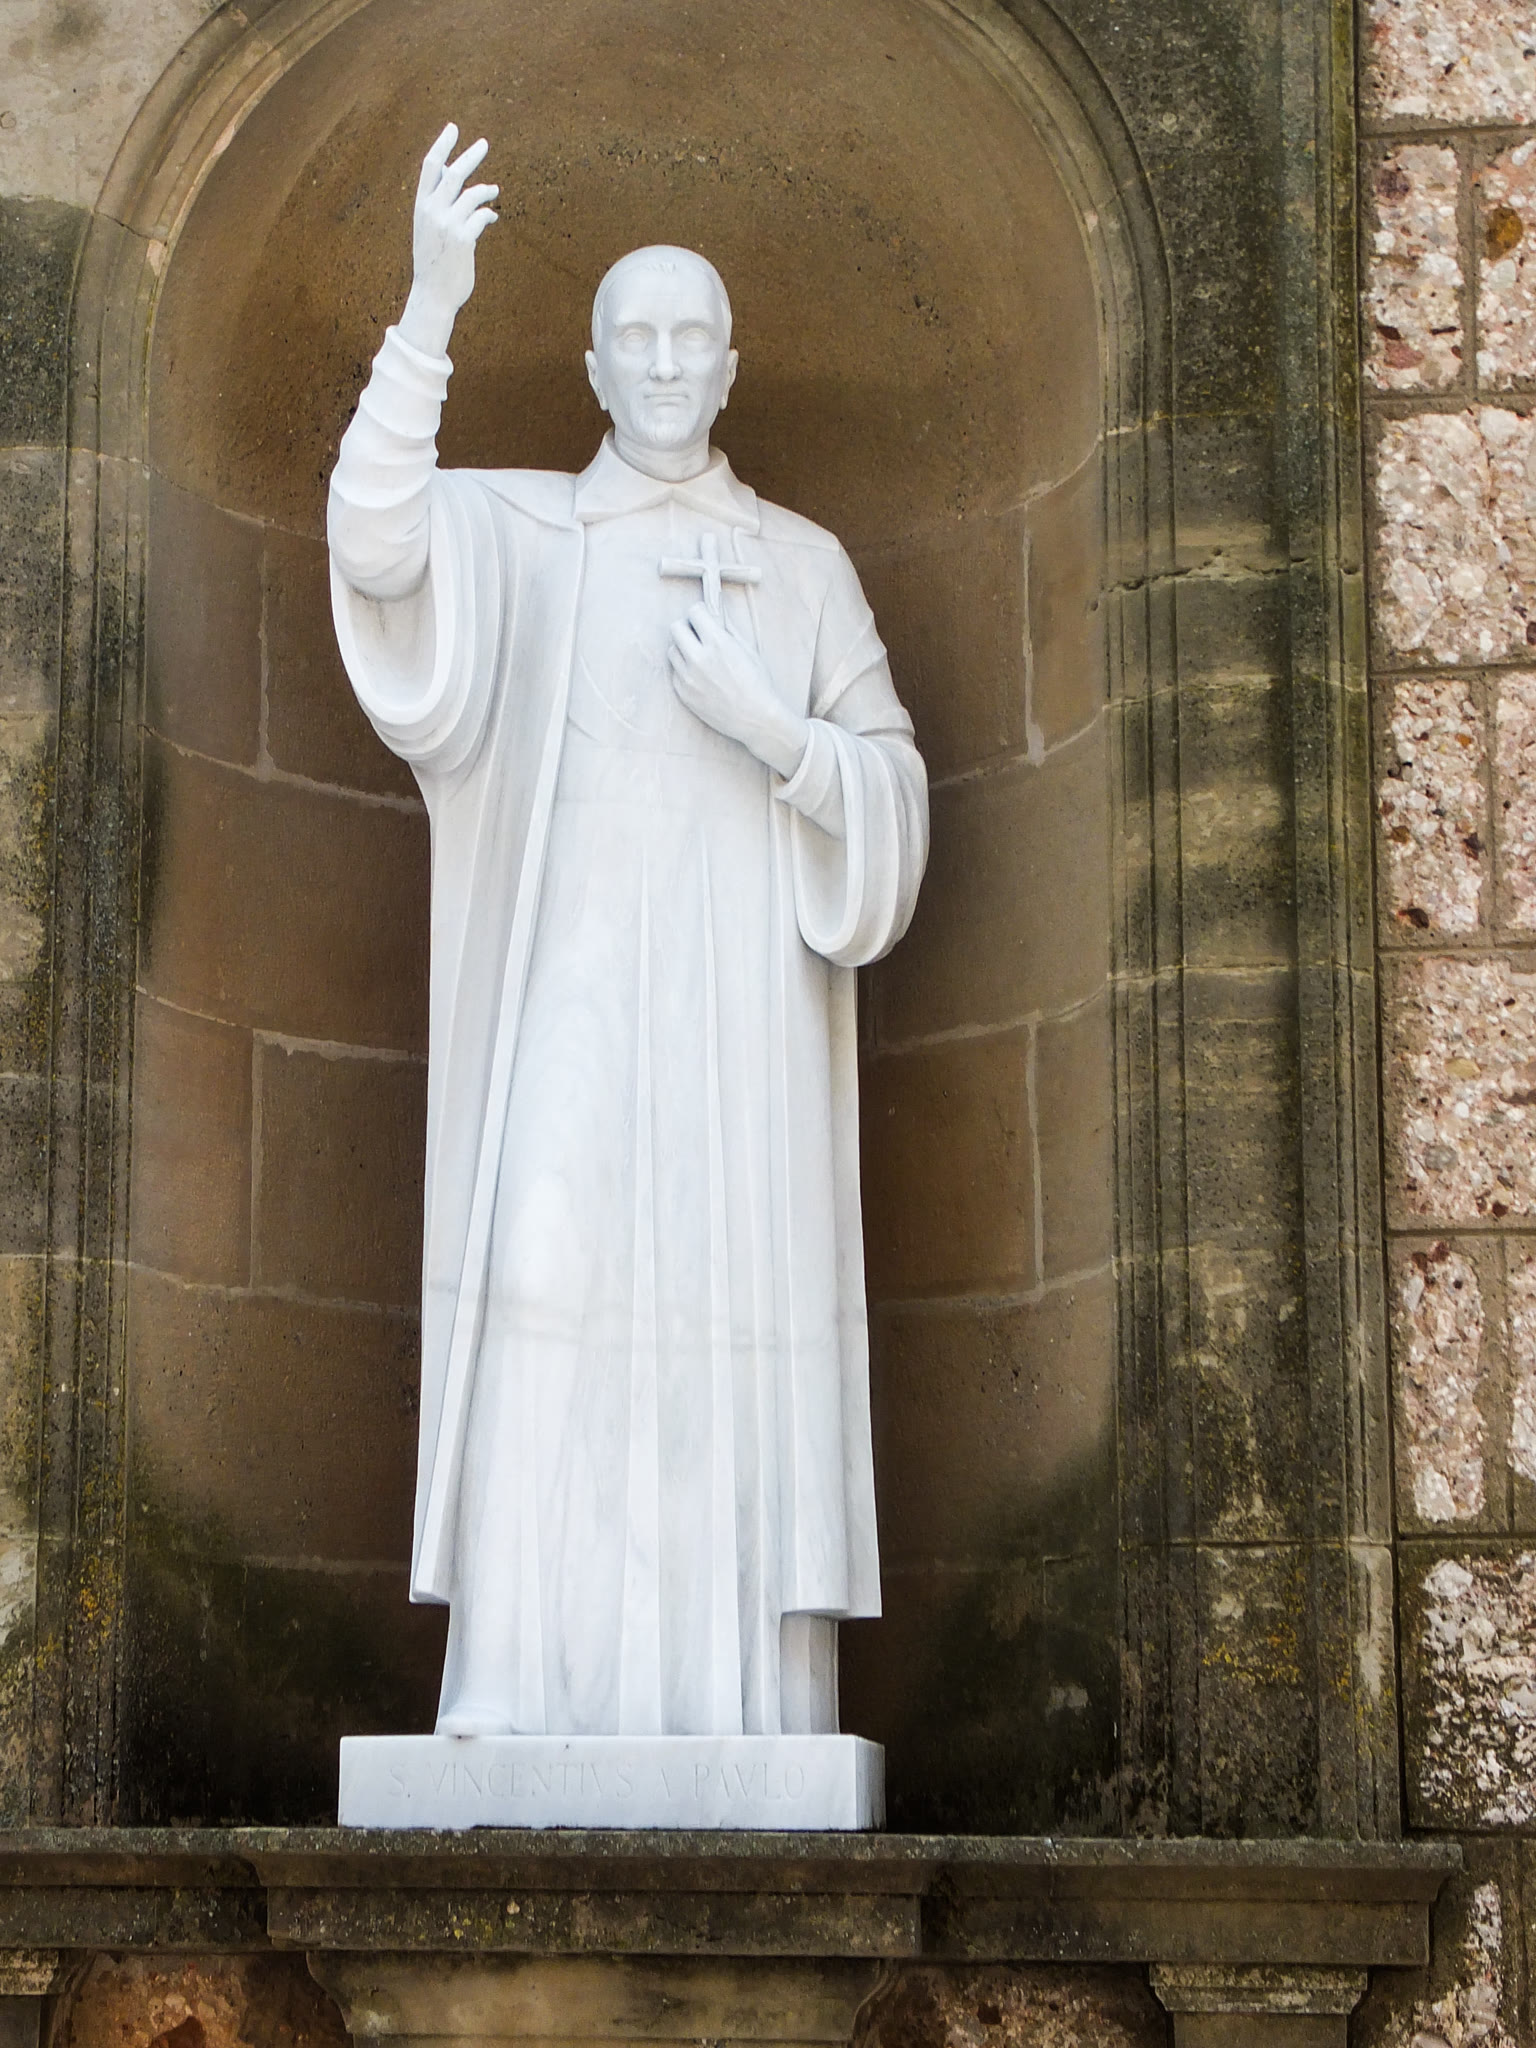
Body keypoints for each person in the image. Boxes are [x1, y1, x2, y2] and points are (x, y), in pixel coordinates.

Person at [327, 124, 928, 1741]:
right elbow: (375, 542)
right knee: (541, 1281)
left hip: (743, 1025)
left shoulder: (804, 567)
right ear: (592, 368)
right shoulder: (526, 536)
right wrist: (430, 308)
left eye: (692, 337)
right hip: (569, 1000)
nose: (665, 364)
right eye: (636, 337)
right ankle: (519, 1680)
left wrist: (778, 734)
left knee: (738, 1313)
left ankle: (746, 1710)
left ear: (731, 367)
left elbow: (896, 799)